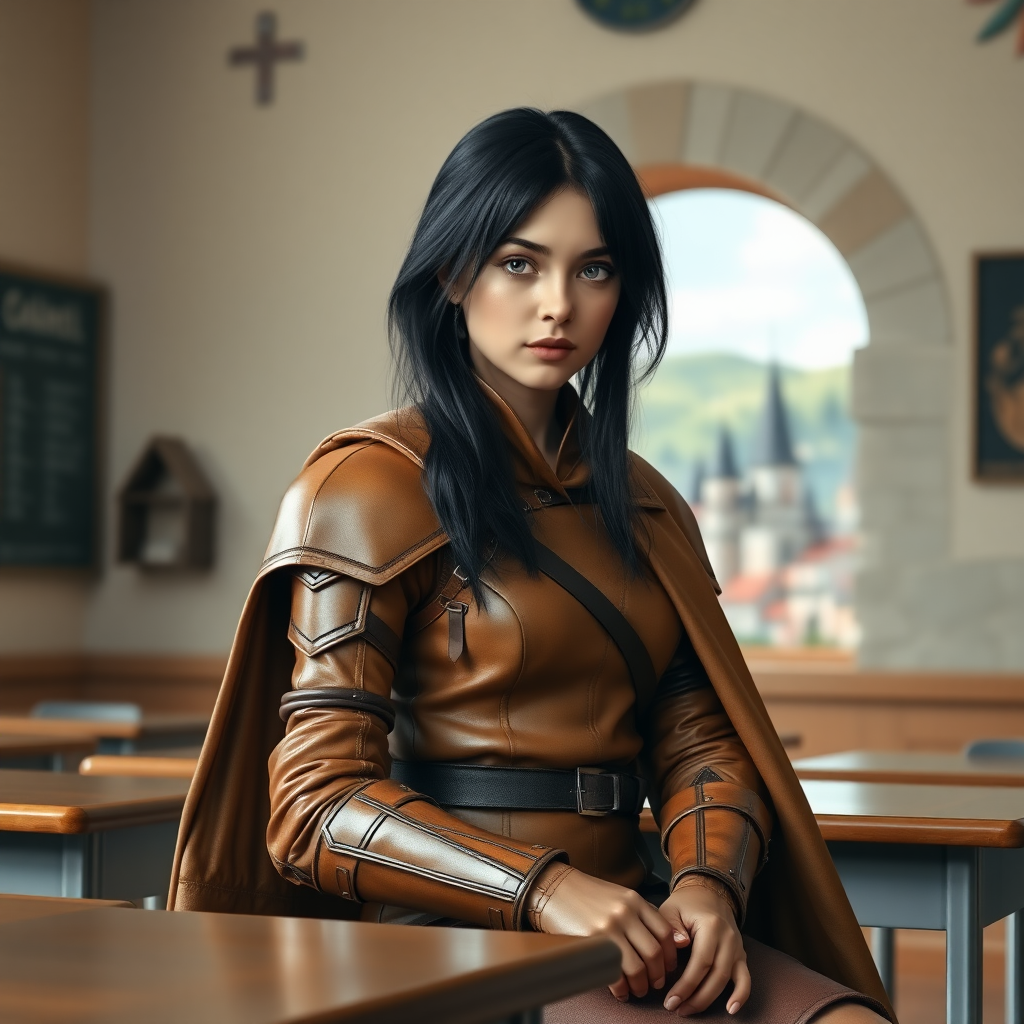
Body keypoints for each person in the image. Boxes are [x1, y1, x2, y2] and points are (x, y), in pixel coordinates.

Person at [169, 108, 892, 1022]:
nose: (559, 303)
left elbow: (701, 743)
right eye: (521, 263)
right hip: (443, 938)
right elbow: (314, 805)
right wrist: (542, 891)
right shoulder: (364, 487)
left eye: (594, 269)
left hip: (638, 920)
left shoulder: (650, 502)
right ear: (453, 272)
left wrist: (708, 885)